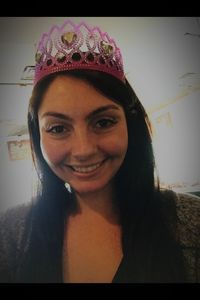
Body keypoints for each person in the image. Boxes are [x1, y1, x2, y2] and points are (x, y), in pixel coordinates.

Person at [0, 19, 200, 283]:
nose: (83, 150)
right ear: (38, 136)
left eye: (103, 122)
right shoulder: (12, 232)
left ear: (130, 124)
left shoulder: (191, 222)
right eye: (58, 128)